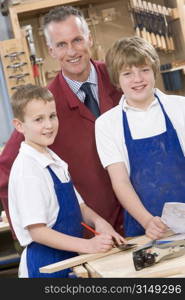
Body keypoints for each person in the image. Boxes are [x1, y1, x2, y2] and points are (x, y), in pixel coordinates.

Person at [0, 5, 123, 239]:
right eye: (61, 45)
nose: (71, 51)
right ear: (51, 51)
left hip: (141, 220)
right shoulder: (43, 107)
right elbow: (5, 168)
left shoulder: (120, 79)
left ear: (89, 38)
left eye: (77, 40)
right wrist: (31, 235)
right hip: (89, 237)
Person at [8, 84, 125, 278]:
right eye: (38, 119)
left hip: (69, 260)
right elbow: (38, 232)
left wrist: (99, 222)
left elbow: (78, 206)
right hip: (45, 267)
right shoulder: (28, 169)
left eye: (52, 116)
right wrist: (88, 245)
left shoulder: (53, 160)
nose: (49, 125)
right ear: (19, 125)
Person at [95, 36, 185, 240]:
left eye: (144, 70)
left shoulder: (180, 107)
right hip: (144, 229)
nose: (138, 79)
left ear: (154, 71)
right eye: (128, 73)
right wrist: (147, 221)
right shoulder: (107, 124)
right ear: (116, 79)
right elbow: (120, 182)